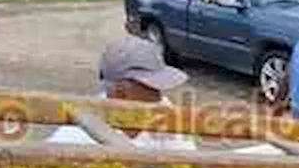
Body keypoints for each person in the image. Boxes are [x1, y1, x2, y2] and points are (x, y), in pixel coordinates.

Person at [47, 36, 195, 151]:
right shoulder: (74, 138)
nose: (158, 94)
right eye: (151, 86)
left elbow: (188, 166)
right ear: (121, 93)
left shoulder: (163, 109)